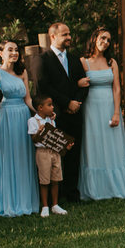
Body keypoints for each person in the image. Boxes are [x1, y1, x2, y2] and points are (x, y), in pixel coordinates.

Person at [78, 28, 125, 201]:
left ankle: (116, 186)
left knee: (113, 146)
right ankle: (96, 189)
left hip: (110, 106)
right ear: (94, 38)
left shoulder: (112, 62)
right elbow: (75, 84)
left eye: (109, 40)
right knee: (93, 145)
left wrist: (117, 112)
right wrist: (79, 83)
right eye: (103, 38)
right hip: (91, 108)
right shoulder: (83, 61)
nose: (106, 42)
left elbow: (117, 88)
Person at [0, 40, 39, 217]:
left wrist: (40, 113)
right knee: (7, 157)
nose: (14, 53)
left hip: (23, 116)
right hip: (6, 117)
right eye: (10, 50)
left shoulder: (22, 72)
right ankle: (7, 203)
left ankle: (25, 201)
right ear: (1, 53)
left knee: (23, 156)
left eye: (16, 50)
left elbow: (28, 99)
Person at [37, 23, 88, 202]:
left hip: (75, 113)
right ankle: (55, 197)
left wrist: (76, 102)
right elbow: (44, 86)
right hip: (56, 113)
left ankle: (72, 193)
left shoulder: (75, 59)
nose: (69, 37)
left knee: (74, 154)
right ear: (53, 37)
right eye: (64, 35)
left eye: (69, 34)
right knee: (55, 155)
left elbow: (83, 83)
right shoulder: (44, 59)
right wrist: (66, 103)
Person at [28, 94, 68, 217]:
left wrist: (64, 145)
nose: (52, 107)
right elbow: (34, 140)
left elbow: (55, 137)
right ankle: (45, 206)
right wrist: (39, 132)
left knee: (55, 178)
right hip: (43, 153)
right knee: (44, 180)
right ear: (40, 107)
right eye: (49, 105)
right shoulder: (33, 121)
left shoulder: (51, 120)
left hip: (54, 152)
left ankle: (55, 205)